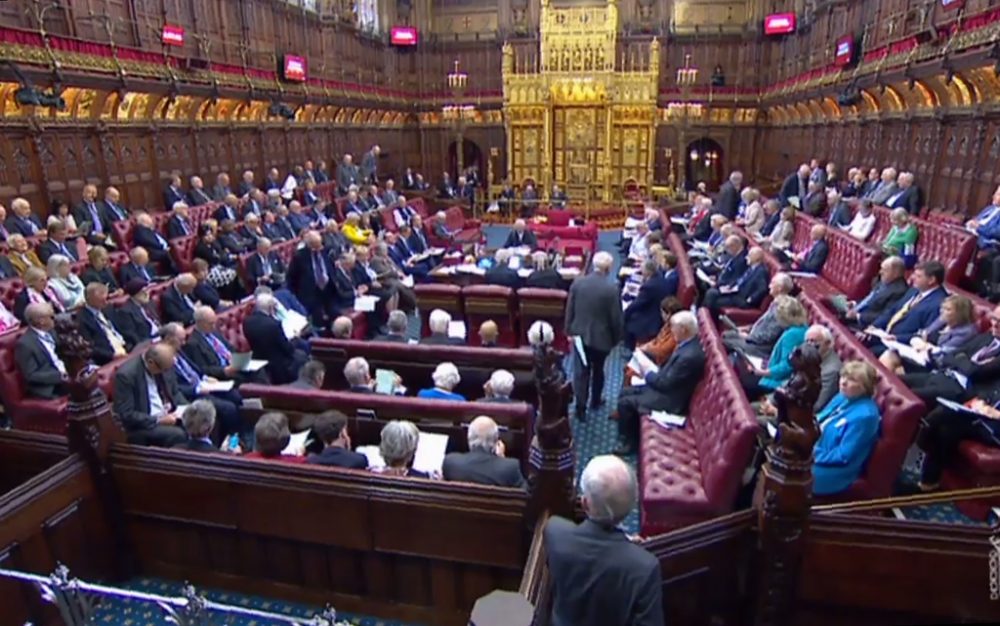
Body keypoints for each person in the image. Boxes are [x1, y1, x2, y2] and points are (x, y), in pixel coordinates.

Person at [544, 455, 664, 626]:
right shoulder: (644, 567)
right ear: (632, 506)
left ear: (585, 503)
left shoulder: (555, 533)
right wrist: (628, 545)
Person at [614, 311, 705, 455]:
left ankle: (629, 442)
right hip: (665, 387)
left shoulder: (690, 356)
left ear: (683, 330)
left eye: (674, 327)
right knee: (625, 392)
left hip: (670, 400)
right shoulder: (687, 345)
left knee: (625, 403)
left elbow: (664, 384)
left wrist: (647, 371)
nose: (672, 330)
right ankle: (630, 431)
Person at [159, 322, 243, 442]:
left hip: (203, 384)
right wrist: (197, 389)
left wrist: (204, 377)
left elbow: (193, 368)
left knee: (235, 395)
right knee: (228, 409)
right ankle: (229, 443)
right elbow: (173, 387)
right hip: (190, 394)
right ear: (168, 339)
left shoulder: (178, 349)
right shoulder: (162, 357)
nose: (183, 343)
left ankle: (238, 438)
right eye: (180, 340)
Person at [566, 251, 623, 420]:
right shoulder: (612, 289)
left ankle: (580, 408)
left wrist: (568, 330)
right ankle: (596, 401)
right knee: (598, 370)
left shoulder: (578, 283)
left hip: (579, 335)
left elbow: (570, 309)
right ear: (609, 268)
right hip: (602, 339)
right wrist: (616, 339)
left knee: (581, 372)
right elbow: (616, 318)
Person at [812, 361, 882, 496]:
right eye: (844, 376)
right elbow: (819, 418)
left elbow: (843, 456)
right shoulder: (842, 397)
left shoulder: (866, 416)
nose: (843, 382)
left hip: (833, 470)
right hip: (815, 448)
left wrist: (812, 455)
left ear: (865, 387)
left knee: (787, 472)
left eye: (852, 380)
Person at [112, 343, 188, 447]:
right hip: (144, 425)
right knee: (178, 434)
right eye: (164, 370)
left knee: (198, 421)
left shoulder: (164, 364)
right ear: (151, 362)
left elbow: (175, 392)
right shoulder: (126, 375)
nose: (165, 373)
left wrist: (187, 408)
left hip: (168, 412)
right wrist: (158, 420)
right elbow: (126, 414)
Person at [741, 295, 809, 399]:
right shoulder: (803, 327)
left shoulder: (791, 335)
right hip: (773, 367)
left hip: (778, 381)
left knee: (743, 383)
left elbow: (787, 366)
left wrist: (763, 372)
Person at [866, 260, 948, 345]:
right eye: (914, 274)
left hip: (901, 344)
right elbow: (893, 310)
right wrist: (875, 325)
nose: (912, 278)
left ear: (931, 280)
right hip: (884, 336)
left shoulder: (939, 303)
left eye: (918, 276)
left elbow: (927, 334)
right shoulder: (914, 290)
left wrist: (897, 338)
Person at [442, 416, 526, 488]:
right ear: (496, 442)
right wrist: (502, 459)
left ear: (469, 439)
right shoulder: (510, 468)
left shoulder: (450, 463)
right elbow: (527, 496)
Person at [243, 293, 308, 384]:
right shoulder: (274, 325)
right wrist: (295, 337)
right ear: (270, 308)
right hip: (279, 366)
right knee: (302, 354)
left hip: (259, 359)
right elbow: (288, 349)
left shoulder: (247, 322)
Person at [15, 303, 68, 399]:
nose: (55, 318)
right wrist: (61, 376)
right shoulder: (25, 344)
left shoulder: (52, 331)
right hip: (51, 386)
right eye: (51, 316)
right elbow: (31, 375)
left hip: (67, 373)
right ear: (41, 321)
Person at [624, 297, 684, 381]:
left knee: (631, 370)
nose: (661, 315)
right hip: (652, 353)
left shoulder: (675, 331)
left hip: (658, 362)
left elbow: (662, 351)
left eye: (663, 313)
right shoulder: (667, 324)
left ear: (669, 314)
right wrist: (646, 346)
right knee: (631, 360)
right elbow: (657, 339)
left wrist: (646, 348)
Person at [624, 257, 677, 350]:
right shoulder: (658, 277)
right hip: (654, 308)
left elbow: (637, 304)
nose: (641, 271)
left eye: (642, 269)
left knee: (628, 317)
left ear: (647, 271)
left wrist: (625, 313)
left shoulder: (649, 286)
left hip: (653, 317)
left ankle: (629, 349)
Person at [843, 256, 909, 328]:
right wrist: (854, 303)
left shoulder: (899, 291)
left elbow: (885, 315)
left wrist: (858, 316)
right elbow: (870, 300)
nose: (880, 272)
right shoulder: (885, 280)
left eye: (885, 270)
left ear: (896, 273)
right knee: (833, 301)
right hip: (854, 311)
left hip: (863, 324)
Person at [704, 246, 769, 314]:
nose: (747, 257)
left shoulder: (761, 271)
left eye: (749, 255)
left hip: (741, 298)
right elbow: (740, 279)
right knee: (711, 292)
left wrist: (750, 299)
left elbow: (763, 288)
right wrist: (730, 286)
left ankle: (707, 317)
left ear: (756, 258)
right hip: (734, 291)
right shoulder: (751, 267)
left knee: (712, 299)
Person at [78, 283, 130, 365]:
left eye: (105, 293)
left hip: (127, 347)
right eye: (101, 294)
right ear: (89, 298)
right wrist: (112, 355)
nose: (105, 297)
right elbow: (90, 348)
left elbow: (122, 328)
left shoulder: (108, 308)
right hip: (110, 357)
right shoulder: (82, 319)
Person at [115, 279, 160, 348]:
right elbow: (132, 336)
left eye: (147, 290)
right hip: (147, 342)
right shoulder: (125, 312)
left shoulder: (149, 304)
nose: (146, 294)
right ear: (135, 294)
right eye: (143, 292)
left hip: (159, 336)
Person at [807, 324, 842, 411]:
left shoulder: (831, 371)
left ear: (828, 343)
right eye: (807, 341)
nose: (809, 346)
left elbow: (818, 405)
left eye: (814, 342)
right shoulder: (810, 357)